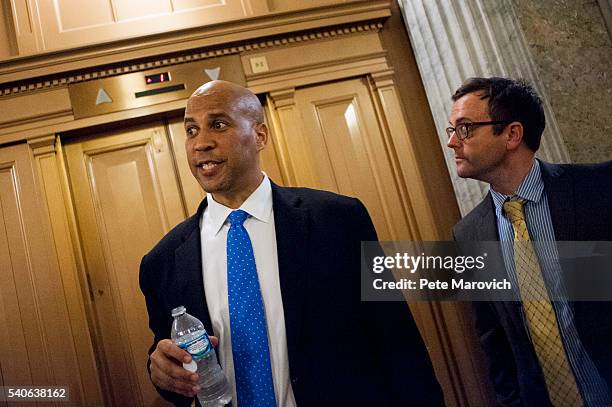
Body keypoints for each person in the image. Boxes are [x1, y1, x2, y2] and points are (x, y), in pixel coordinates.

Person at [139, 80, 443, 406]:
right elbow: (170, 361)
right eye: (191, 131)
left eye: (218, 124)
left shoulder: (339, 221)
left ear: (260, 136)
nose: (201, 143)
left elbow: (396, 340)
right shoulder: (162, 262)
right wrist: (160, 372)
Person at [448, 77, 612, 406]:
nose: (452, 142)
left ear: (512, 134)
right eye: (450, 130)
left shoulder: (598, 189)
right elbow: (495, 344)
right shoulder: (468, 235)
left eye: (465, 128)